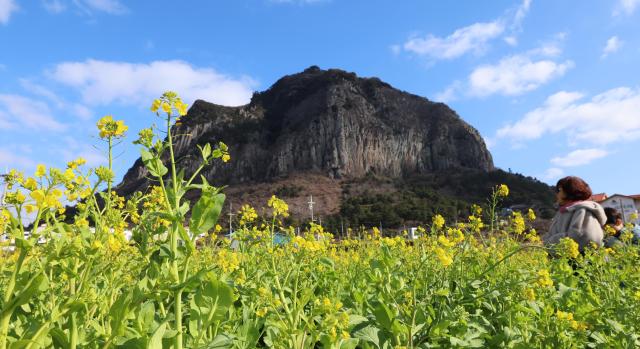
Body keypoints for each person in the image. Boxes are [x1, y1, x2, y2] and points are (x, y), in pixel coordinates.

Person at [542, 176, 606, 253]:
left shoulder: (583, 210)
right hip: (561, 260)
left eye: (559, 190)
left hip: (578, 262)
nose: (557, 194)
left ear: (570, 191)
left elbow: (584, 236)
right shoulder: (562, 211)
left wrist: (550, 241)